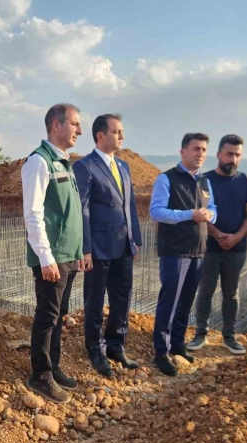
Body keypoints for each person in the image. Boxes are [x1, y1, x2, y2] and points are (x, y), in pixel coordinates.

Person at [21, 103, 84, 403]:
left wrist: (78, 251)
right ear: (56, 125)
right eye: (74, 124)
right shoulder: (39, 162)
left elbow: (71, 213)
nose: (79, 130)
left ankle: (53, 366)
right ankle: (40, 374)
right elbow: (33, 214)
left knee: (59, 315)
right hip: (52, 257)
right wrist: (45, 258)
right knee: (47, 316)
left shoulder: (64, 163)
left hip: (67, 255)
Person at [73, 114, 142, 376]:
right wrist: (85, 249)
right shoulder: (85, 167)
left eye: (122, 131)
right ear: (100, 136)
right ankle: (95, 348)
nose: (122, 136)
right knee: (95, 300)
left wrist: (134, 239)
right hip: (99, 248)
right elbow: (82, 210)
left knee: (122, 298)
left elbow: (130, 205)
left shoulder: (123, 166)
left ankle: (115, 344)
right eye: (116, 132)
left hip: (123, 246)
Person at [149, 133, 217, 376]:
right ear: (183, 152)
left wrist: (210, 215)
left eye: (204, 150)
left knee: (186, 301)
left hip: (198, 250)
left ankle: (177, 343)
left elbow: (213, 208)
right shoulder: (166, 179)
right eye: (196, 149)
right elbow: (156, 211)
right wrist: (189, 214)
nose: (200, 154)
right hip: (175, 251)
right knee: (170, 301)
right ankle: (161, 351)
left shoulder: (205, 181)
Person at [187, 135, 247, 355]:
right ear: (219, 154)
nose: (233, 159)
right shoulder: (204, 181)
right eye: (229, 154)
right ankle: (201, 333)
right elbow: (199, 212)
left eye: (237, 155)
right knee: (205, 290)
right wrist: (218, 235)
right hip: (208, 246)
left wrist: (237, 237)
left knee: (231, 292)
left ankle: (229, 336)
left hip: (236, 248)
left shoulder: (246, 182)